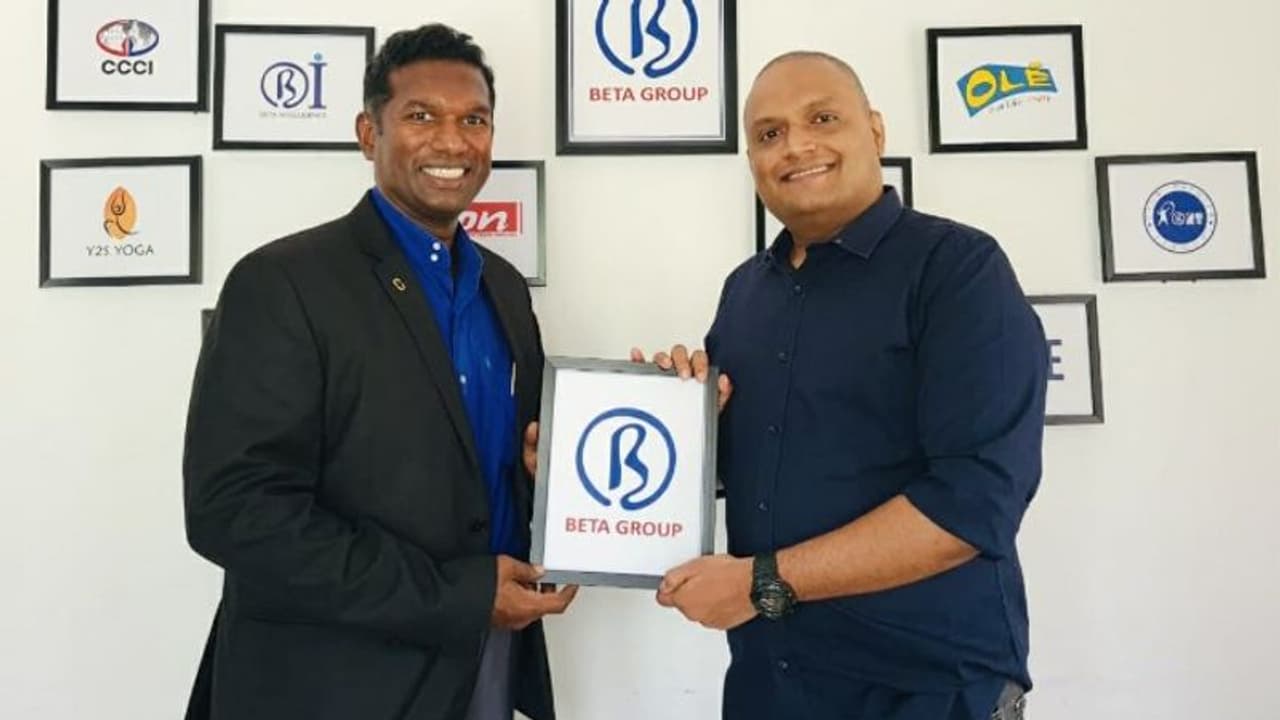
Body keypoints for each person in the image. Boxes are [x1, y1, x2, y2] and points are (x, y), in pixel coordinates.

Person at [638, 51, 1048, 720]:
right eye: (769, 133)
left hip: (929, 691)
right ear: (752, 159)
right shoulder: (744, 293)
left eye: (823, 118)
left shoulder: (956, 270)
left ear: (875, 131)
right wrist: (652, 431)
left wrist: (761, 582)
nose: (796, 145)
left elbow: (975, 502)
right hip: (772, 687)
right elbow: (743, 472)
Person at [182, 24, 575, 720]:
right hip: (333, 683)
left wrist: (558, 472)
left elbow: (492, 471)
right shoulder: (282, 282)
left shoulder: (504, 289)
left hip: (485, 663)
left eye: (474, 120)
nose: (453, 142)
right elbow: (235, 511)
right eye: (421, 116)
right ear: (370, 134)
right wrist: (457, 597)